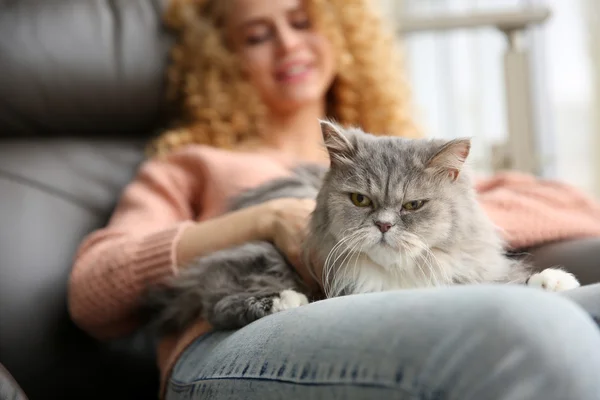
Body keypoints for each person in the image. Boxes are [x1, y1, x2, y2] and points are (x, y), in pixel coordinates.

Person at [67, 0, 600, 399]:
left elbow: (576, 207)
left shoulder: (401, 150)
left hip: (414, 298)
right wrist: (268, 218)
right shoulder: (192, 163)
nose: (288, 45)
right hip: (241, 332)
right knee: (536, 330)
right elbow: (93, 288)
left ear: (341, 33)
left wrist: (444, 222)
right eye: (257, 34)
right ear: (224, 58)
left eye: (302, 22)